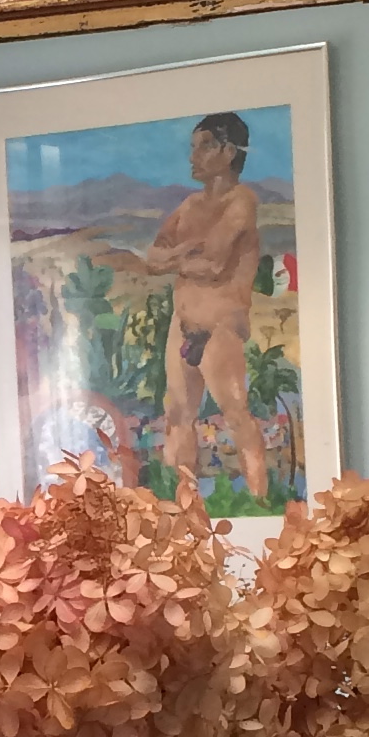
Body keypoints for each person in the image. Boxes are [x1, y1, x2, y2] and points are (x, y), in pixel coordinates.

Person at [140, 111, 270, 504]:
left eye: (204, 146)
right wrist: (183, 251)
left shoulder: (241, 201)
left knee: (235, 416)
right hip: (183, 326)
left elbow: (213, 264)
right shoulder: (189, 204)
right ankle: (180, 507)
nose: (193, 156)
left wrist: (175, 258)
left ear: (228, 151)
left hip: (220, 328)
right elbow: (152, 256)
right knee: (178, 416)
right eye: (192, 147)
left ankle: (261, 501)